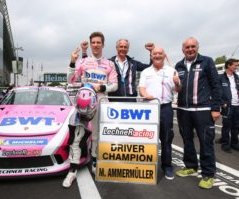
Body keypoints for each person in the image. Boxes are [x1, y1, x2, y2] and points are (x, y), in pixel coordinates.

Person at [63, 31, 118, 188]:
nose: (95, 45)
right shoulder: (83, 61)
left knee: (96, 137)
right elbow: (71, 80)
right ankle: (72, 170)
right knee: (76, 136)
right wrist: (72, 62)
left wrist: (100, 86)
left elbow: (114, 85)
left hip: (100, 102)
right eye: (93, 42)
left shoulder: (110, 64)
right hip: (82, 103)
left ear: (103, 44)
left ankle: (94, 164)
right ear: (90, 43)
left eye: (98, 42)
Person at [175, 37, 222, 189]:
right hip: (183, 110)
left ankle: (208, 174)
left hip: (202, 110)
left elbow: (216, 85)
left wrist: (215, 108)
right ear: (183, 49)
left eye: (193, 46)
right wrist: (176, 85)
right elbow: (179, 88)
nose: (190, 49)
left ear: (197, 47)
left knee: (206, 142)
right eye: (187, 47)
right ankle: (190, 166)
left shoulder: (207, 61)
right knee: (187, 140)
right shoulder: (179, 65)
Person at [138, 46, 181, 180]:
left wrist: (177, 83)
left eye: (160, 53)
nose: (157, 55)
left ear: (164, 55)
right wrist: (146, 95)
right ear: (151, 56)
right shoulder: (145, 71)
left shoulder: (171, 70)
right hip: (149, 109)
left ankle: (167, 166)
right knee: (147, 138)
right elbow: (141, 88)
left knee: (166, 138)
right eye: (154, 54)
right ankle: (145, 166)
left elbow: (178, 89)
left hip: (165, 109)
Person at [82, 39, 154, 102]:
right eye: (121, 47)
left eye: (125, 47)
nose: (123, 49)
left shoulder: (133, 63)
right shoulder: (109, 63)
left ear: (128, 49)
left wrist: (151, 51)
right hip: (113, 99)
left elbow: (150, 68)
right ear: (116, 48)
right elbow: (89, 67)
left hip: (131, 100)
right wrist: (84, 52)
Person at [216, 58, 239, 152]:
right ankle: (225, 144)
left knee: (236, 126)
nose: (237, 67)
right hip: (227, 106)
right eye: (235, 65)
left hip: (237, 106)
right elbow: (217, 91)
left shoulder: (236, 77)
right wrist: (222, 103)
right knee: (227, 126)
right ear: (229, 65)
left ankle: (234, 143)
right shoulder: (220, 78)